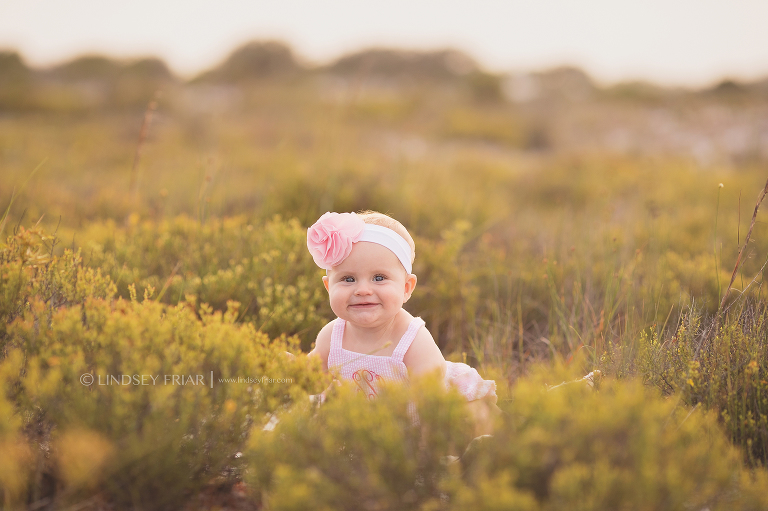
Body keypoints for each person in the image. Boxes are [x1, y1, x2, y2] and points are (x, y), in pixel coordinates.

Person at [306, 210, 499, 436]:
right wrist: (289, 370)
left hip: (433, 413)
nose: (363, 290)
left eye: (379, 278)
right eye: (348, 279)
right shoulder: (332, 336)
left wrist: (426, 447)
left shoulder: (413, 339)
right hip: (371, 426)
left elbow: (431, 401)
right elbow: (312, 381)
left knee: (473, 419)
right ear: (329, 287)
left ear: (406, 287)